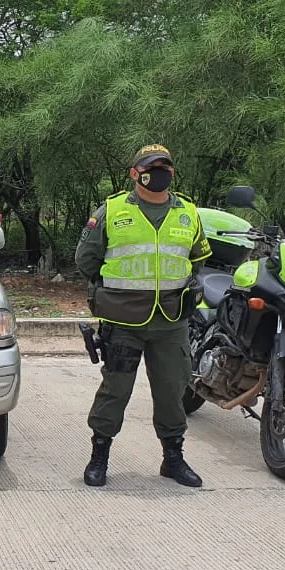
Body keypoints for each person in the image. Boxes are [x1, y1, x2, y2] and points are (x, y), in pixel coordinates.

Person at [74, 144, 212, 489]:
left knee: (172, 392)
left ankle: (173, 459)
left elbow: (197, 258)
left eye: (165, 166)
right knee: (115, 391)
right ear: (135, 173)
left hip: (171, 322)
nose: (159, 172)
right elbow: (86, 259)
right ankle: (99, 457)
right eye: (151, 166)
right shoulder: (112, 210)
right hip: (123, 322)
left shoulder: (188, 213)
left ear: (172, 173)